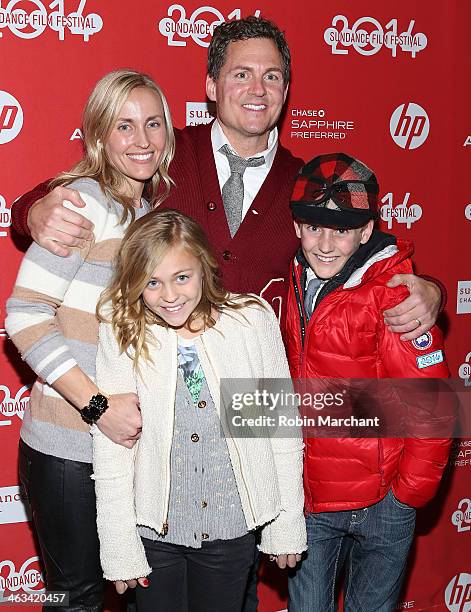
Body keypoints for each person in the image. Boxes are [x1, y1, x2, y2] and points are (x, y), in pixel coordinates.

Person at [10, 17, 442, 342]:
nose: (258, 90)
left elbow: (372, 254)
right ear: (212, 86)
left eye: (271, 76)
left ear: (285, 90)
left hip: (253, 396)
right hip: (160, 391)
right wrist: (33, 210)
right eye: (242, 74)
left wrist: (432, 291)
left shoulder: (309, 181)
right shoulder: (160, 152)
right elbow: (82, 183)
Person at [5, 69, 175, 611]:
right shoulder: (83, 203)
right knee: (73, 600)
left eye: (153, 124)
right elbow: (25, 315)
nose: (142, 140)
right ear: (100, 136)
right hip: (67, 449)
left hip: (114, 448)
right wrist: (99, 406)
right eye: (124, 126)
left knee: (107, 593)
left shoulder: (146, 216)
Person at [92, 208, 306, 612]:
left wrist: (286, 523)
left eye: (182, 277)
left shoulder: (248, 322)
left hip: (231, 527)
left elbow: (279, 431)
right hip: (154, 531)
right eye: (152, 282)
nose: (169, 296)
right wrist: (118, 544)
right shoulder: (123, 329)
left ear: (205, 267)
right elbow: (113, 448)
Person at [285, 153, 453, 612]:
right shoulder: (291, 285)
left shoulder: (395, 294)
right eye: (314, 227)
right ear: (297, 226)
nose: (324, 243)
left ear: (365, 231)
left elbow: (432, 405)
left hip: (382, 503)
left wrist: (406, 497)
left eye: (340, 230)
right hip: (312, 501)